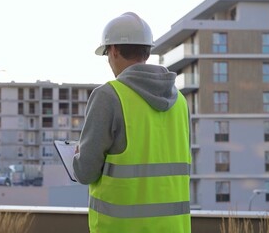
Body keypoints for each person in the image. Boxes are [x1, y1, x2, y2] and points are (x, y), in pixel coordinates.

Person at [72, 12, 192, 233]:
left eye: (107, 53)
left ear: (114, 50)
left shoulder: (108, 96)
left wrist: (79, 156)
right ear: (146, 50)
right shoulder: (180, 102)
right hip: (173, 227)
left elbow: (85, 172)